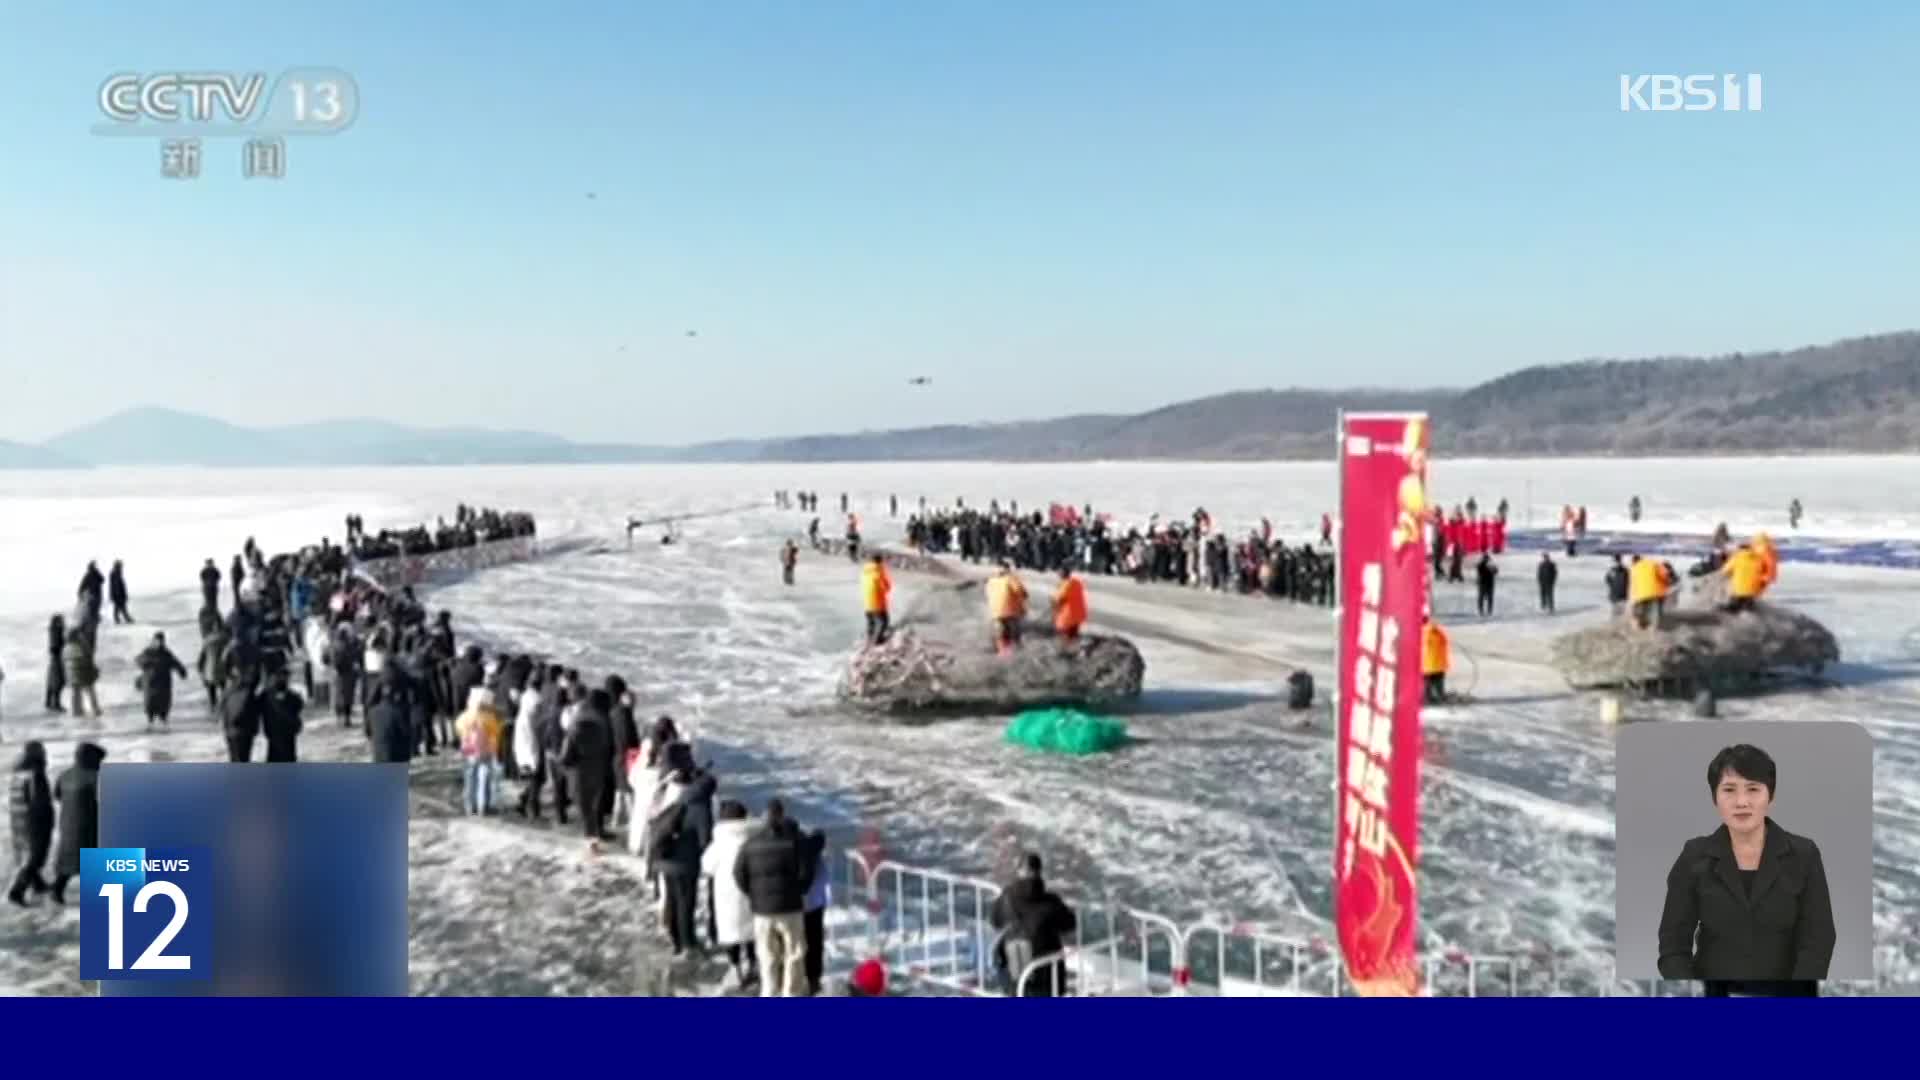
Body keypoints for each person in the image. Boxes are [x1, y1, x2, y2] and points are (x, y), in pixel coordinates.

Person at [1656, 744, 1835, 995]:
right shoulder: (1694, 857)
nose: (1742, 802)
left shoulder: (1804, 855)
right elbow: (1672, 946)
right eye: (1729, 790)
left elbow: (1819, 940)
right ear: (1714, 798)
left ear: (1770, 796)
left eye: (1753, 789)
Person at [733, 798, 813, 997]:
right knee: (794, 952)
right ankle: (791, 993)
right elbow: (806, 872)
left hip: (762, 910)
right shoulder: (793, 843)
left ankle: (769, 991)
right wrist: (799, 891)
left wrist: (753, 894)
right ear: (781, 815)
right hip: (790, 907)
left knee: (766, 954)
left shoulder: (750, 845)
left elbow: (738, 874)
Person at [648, 761, 716, 957]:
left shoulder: (680, 798)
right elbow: (705, 840)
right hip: (684, 864)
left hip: (665, 858)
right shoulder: (701, 807)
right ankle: (688, 943)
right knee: (686, 902)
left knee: (673, 899)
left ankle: (675, 938)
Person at [990, 853, 1078, 997]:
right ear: (1039, 872)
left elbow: (995, 921)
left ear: (1019, 871)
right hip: (1048, 982)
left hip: (1014, 982)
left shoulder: (1005, 899)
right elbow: (1070, 924)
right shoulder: (1051, 903)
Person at [702, 800, 759, 989]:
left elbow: (707, 865)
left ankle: (736, 968)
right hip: (750, 890)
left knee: (731, 931)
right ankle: (753, 963)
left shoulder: (720, 841)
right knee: (751, 930)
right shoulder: (753, 837)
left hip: (726, 894)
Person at [49, 742, 106, 904]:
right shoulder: (96, 777)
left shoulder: (64, 774)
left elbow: (57, 795)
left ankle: (56, 890)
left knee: (68, 861)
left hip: (68, 824)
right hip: (90, 824)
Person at [7, 741, 55, 906]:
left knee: (26, 852)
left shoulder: (18, 773)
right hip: (34, 821)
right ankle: (17, 891)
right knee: (35, 855)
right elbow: (40, 801)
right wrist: (48, 820)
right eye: (42, 751)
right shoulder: (36, 774)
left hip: (18, 818)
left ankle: (38, 884)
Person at [455, 686, 504, 813]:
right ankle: (483, 805)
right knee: (484, 778)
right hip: (485, 751)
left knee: (469, 777)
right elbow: (496, 733)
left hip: (469, 750)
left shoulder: (465, 717)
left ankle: (469, 806)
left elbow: (458, 728)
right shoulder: (489, 718)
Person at [136, 631, 189, 729]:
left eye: (161, 641)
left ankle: (163, 719)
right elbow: (138, 660)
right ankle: (150, 720)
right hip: (150, 684)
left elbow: (175, 663)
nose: (159, 643)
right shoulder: (148, 652)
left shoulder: (166, 653)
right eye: (157, 640)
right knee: (150, 704)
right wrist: (147, 662)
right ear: (153, 641)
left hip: (163, 684)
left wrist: (182, 671)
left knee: (164, 704)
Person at [261, 668, 305, 763]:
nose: (283, 679)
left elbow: (299, 707)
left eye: (285, 676)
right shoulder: (266, 696)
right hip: (275, 736)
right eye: (280, 676)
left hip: (286, 735)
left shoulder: (292, 697)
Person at [986, 562, 1028, 656]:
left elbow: (988, 595)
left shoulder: (991, 581)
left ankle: (1002, 652)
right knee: (1014, 631)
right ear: (1007, 570)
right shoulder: (1011, 579)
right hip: (1010, 611)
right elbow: (1021, 592)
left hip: (995, 612)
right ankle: (1017, 650)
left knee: (1000, 633)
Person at [221, 672, 263, 763]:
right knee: (243, 758)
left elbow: (223, 710)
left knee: (235, 758)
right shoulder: (248, 693)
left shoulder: (227, 692)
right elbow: (255, 711)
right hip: (244, 732)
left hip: (232, 732)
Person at [1628, 554, 1671, 631]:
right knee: (1653, 613)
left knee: (1640, 612)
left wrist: (1632, 598)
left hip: (1639, 594)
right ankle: (1652, 628)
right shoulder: (1654, 563)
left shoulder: (1633, 568)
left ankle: (1639, 628)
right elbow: (1665, 574)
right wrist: (1666, 583)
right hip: (1654, 592)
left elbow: (1632, 584)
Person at [1722, 545, 1767, 614]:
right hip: (1752, 591)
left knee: (1732, 610)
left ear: (1740, 550)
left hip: (1738, 590)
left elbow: (1725, 571)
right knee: (1748, 610)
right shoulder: (1758, 559)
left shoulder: (1736, 558)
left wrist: (1731, 574)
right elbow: (1763, 572)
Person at [1052, 566, 1087, 643]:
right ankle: (1074, 647)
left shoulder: (1066, 583)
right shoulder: (1076, 581)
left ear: (1063, 573)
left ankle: (1066, 648)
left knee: (1064, 632)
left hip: (1068, 614)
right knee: (1073, 633)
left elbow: (1058, 598)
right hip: (1078, 612)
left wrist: (1053, 600)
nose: (1058, 574)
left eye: (1059, 572)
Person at [1421, 618, 1449, 705]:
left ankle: (1428, 698)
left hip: (1427, 665)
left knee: (1427, 683)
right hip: (1439, 664)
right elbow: (1445, 642)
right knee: (1438, 682)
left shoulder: (1420, 633)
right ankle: (1440, 696)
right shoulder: (1438, 631)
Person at [43, 614, 65, 714]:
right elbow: (54, 647)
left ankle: (49, 701)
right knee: (58, 682)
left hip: (56, 659)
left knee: (53, 681)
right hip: (57, 659)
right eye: (61, 621)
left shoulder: (54, 630)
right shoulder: (57, 631)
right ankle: (55, 703)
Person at [108, 560, 132, 624]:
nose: (122, 567)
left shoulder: (117, 573)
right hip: (118, 594)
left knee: (119, 607)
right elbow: (116, 585)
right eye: (121, 566)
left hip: (118, 594)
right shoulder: (115, 573)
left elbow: (119, 585)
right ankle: (124, 619)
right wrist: (118, 594)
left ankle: (120, 619)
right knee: (120, 607)